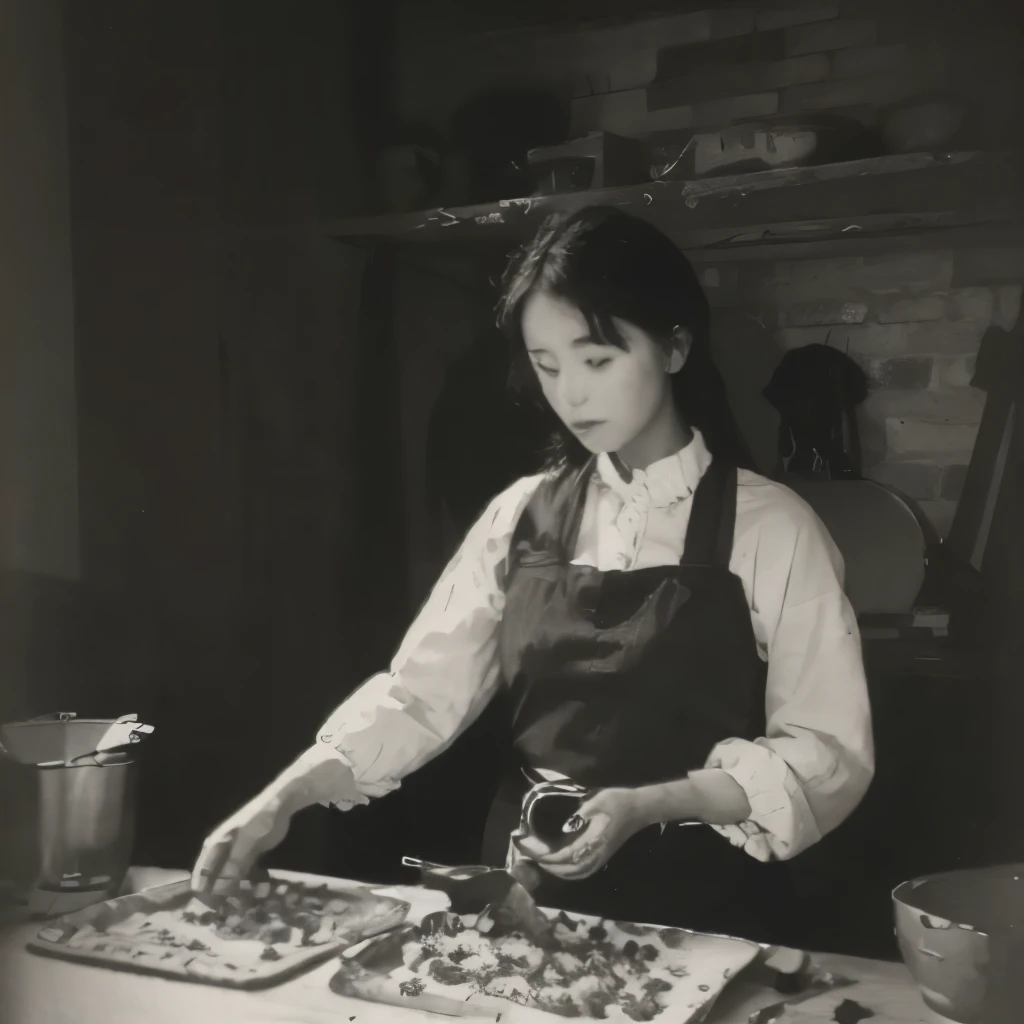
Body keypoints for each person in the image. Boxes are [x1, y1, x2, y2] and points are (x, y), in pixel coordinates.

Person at [192, 206, 874, 945]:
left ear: (675, 346)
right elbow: (420, 696)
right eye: (547, 367)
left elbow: (825, 752)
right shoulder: (521, 515)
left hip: (703, 925)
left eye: (597, 360)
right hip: (533, 914)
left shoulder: (771, 527)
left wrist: (648, 804)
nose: (571, 395)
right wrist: (282, 798)